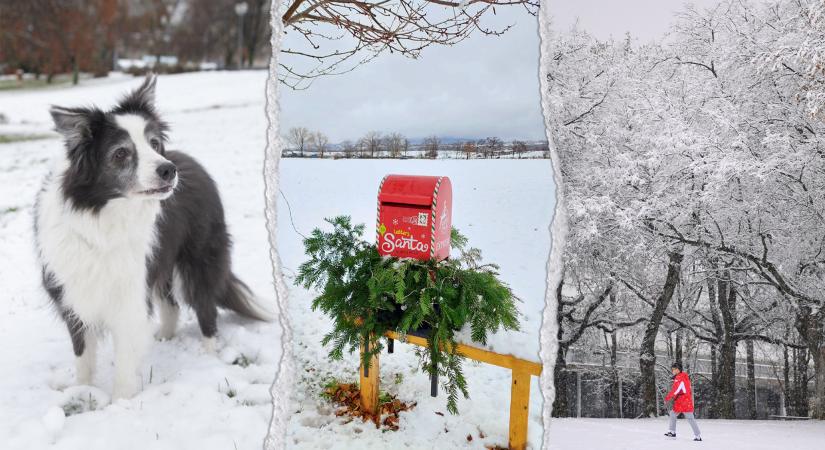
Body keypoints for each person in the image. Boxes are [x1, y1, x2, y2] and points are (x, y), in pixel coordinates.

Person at [664, 362, 702, 441]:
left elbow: (675, 390)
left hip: (684, 401)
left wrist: (667, 398)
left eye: (674, 369)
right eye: (672, 369)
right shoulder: (681, 376)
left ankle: (697, 436)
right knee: (673, 414)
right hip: (681, 401)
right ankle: (672, 432)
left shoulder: (680, 378)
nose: (673, 370)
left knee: (690, 418)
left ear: (678, 370)